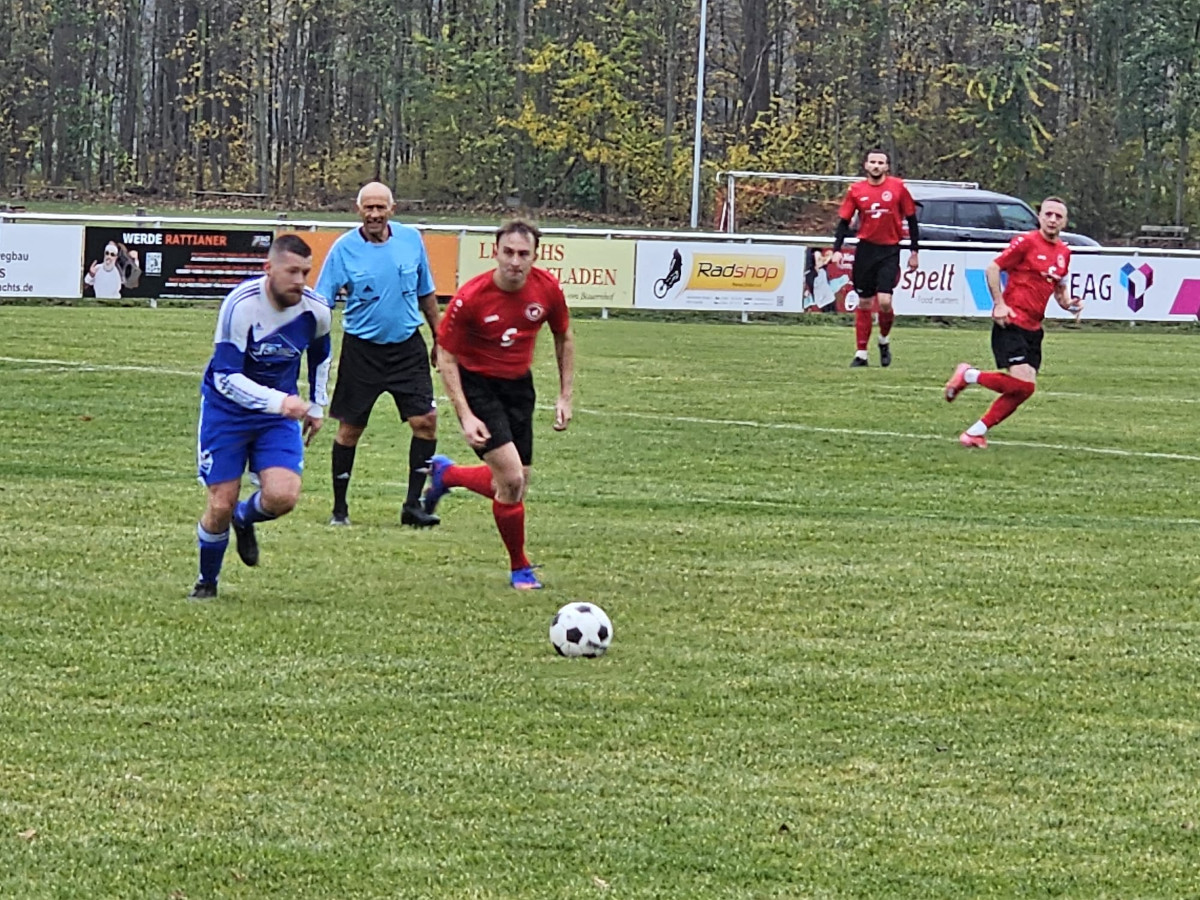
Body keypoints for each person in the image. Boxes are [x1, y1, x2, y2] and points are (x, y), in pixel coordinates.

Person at [422, 219, 574, 590]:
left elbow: (563, 337)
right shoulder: (471, 297)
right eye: (508, 252)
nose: (515, 261)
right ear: (495, 252)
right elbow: (446, 355)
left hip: (519, 387)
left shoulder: (547, 289)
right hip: (478, 386)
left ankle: (448, 475)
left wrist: (564, 395)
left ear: (535, 256)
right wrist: (465, 414)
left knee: (518, 484)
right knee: (510, 480)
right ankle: (520, 567)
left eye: (524, 254)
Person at [190, 234, 331, 599]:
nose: (300, 280)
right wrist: (280, 403)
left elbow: (321, 357)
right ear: (268, 269)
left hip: (275, 416)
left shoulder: (315, 310)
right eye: (292, 271)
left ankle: (245, 518)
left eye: (306, 272)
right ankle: (207, 582)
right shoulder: (240, 305)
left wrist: (316, 405)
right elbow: (225, 376)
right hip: (227, 411)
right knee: (220, 502)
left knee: (283, 497)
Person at [316, 181, 441, 528]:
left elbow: (426, 292)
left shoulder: (410, 240)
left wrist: (439, 338)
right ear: (359, 211)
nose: (374, 214)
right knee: (350, 430)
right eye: (368, 208)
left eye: (380, 207)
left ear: (392, 209)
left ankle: (413, 506)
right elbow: (321, 301)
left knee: (425, 423)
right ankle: (340, 510)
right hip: (362, 351)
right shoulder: (343, 249)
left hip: (407, 346)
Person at [943, 196, 1083, 448]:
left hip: (1033, 328)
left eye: (1058, 216)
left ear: (1065, 222)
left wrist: (1070, 302)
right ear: (1040, 217)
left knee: (1025, 389)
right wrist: (998, 303)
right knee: (1021, 385)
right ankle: (968, 375)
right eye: (1048, 214)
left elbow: (1060, 291)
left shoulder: (1064, 253)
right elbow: (993, 268)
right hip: (1011, 321)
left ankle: (975, 432)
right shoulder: (1026, 242)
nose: (1052, 220)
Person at [829, 149, 920, 367]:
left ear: (887, 167)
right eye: (873, 162)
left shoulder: (898, 187)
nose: (877, 166)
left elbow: (912, 219)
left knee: (885, 302)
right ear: (866, 166)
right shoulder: (856, 190)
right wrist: (837, 249)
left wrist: (914, 252)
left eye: (881, 162)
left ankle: (884, 340)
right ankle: (861, 354)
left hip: (889, 250)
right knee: (864, 302)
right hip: (865, 250)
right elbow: (844, 222)